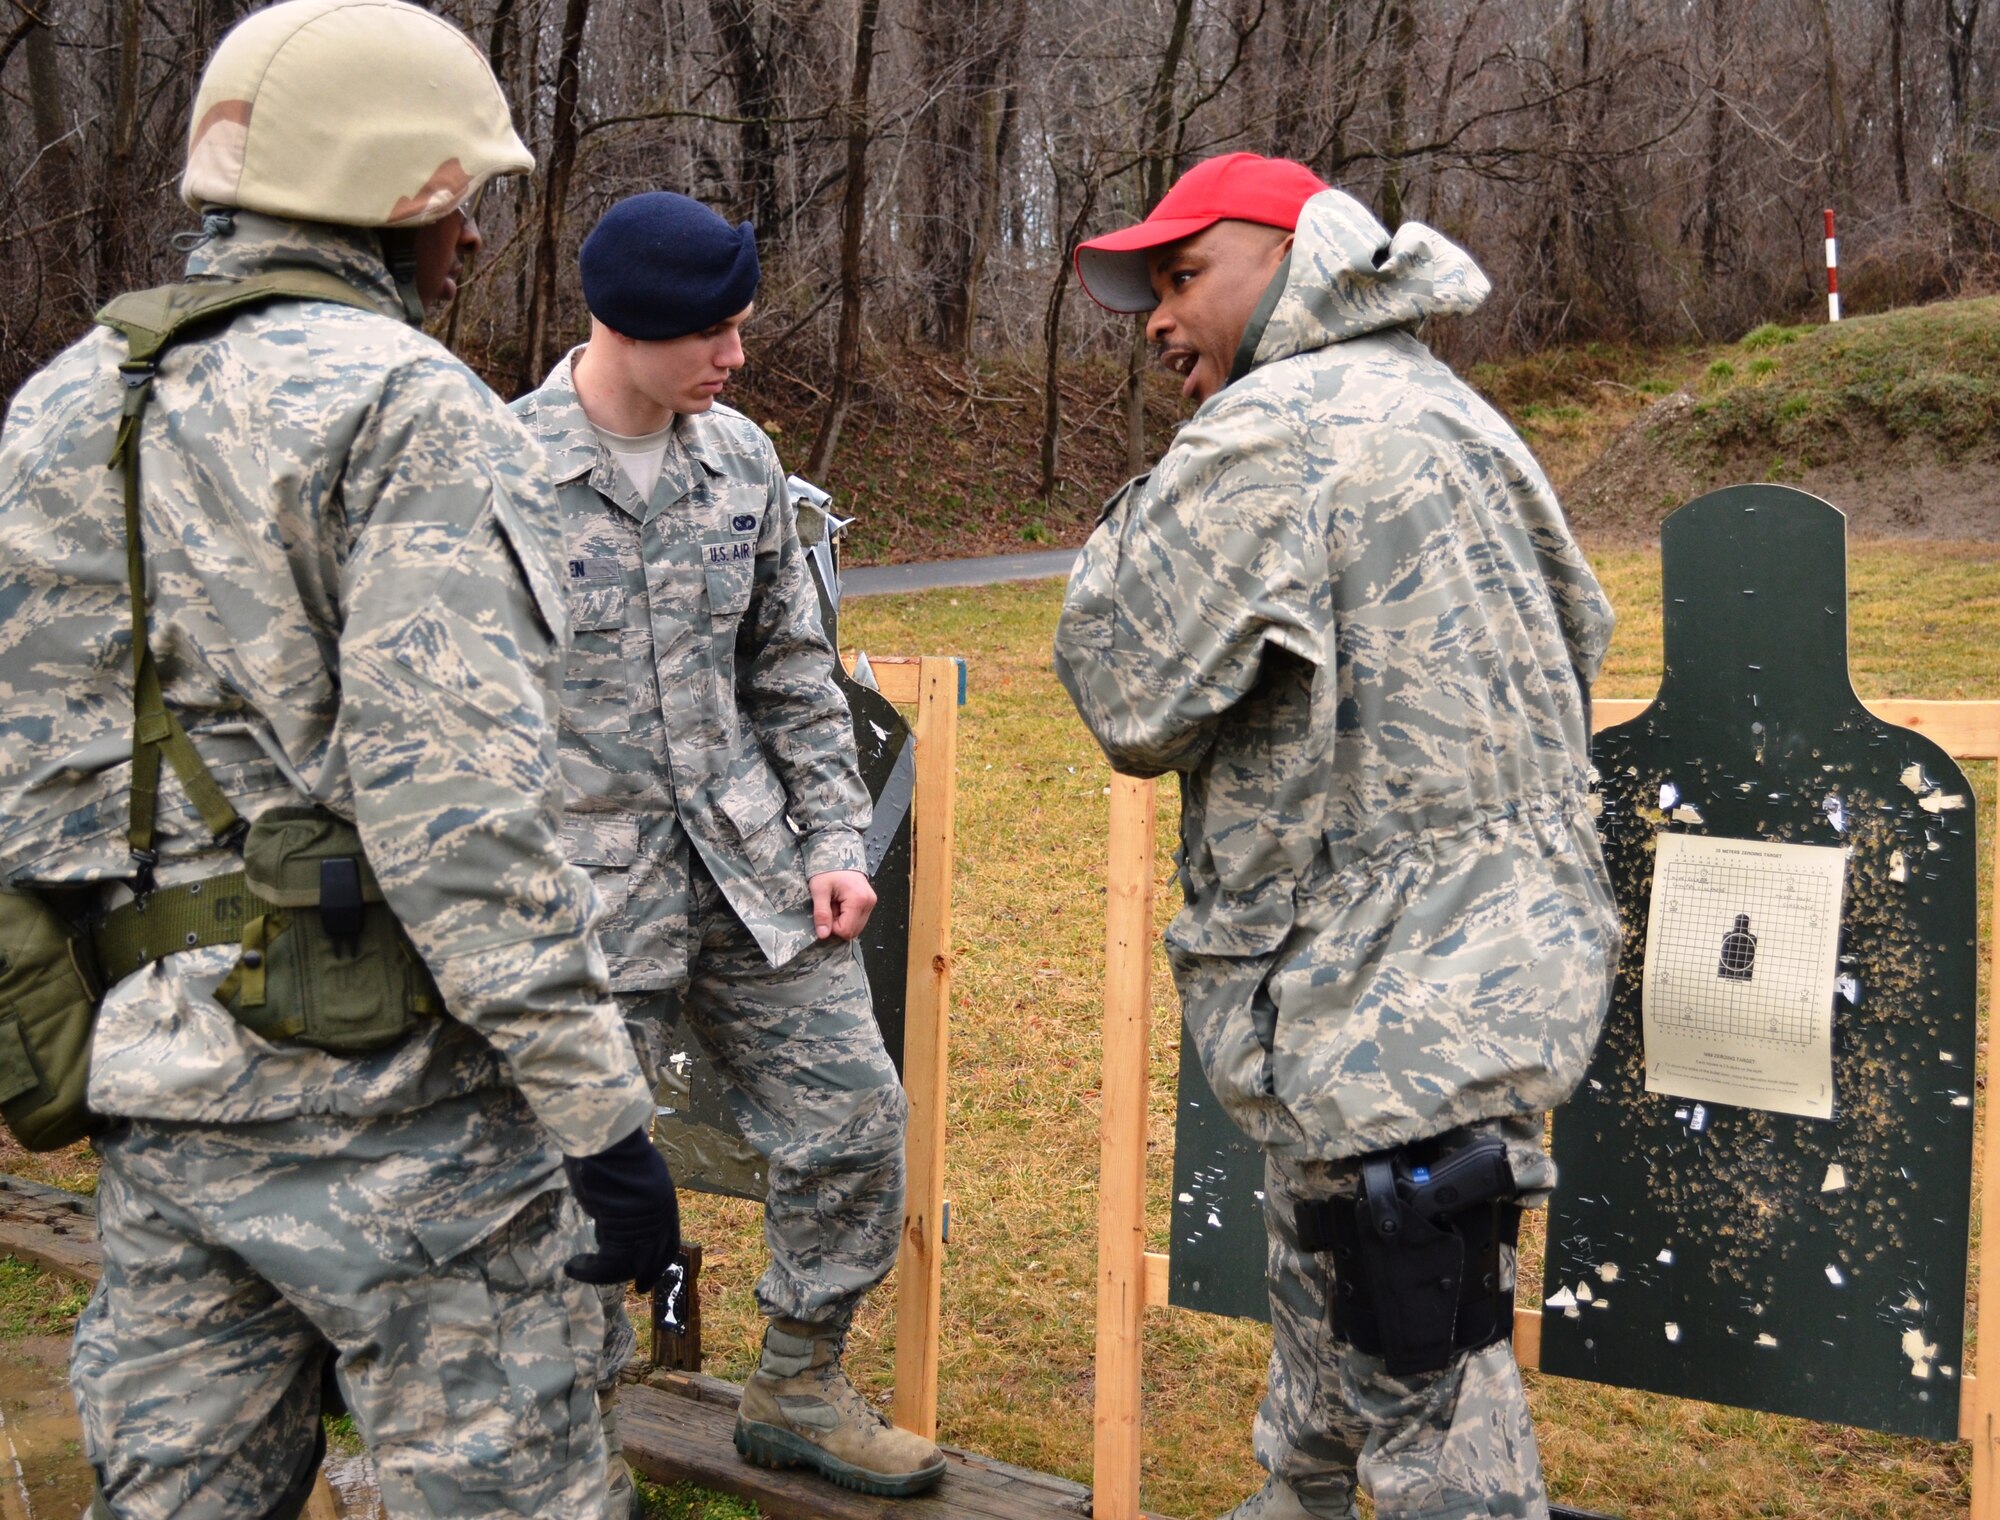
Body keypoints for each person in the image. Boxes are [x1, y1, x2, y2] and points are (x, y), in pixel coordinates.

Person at [0, 3, 678, 1516]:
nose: (480, 241)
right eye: (464, 201)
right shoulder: (404, 405)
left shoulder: (61, 405)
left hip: (155, 1102)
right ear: (398, 197)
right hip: (405, 1123)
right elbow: (465, 830)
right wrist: (602, 1119)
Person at [1054, 153, 1621, 1520]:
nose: (1155, 316)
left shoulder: (1277, 433)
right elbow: (1583, 629)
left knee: (1432, 1413)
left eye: (1184, 276)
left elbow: (1123, 683)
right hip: (1492, 966)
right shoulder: (1462, 415)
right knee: (1341, 1333)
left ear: (1292, 255)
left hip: (1379, 997)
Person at [511, 190, 946, 1501]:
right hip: (581, 907)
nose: (738, 358)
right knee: (575, 1193)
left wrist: (831, 837)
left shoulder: (740, 461)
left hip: (752, 877)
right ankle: (569, 1454)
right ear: (628, 324)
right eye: (717, 333)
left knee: (857, 1120)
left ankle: (800, 1386)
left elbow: (794, 677)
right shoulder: (496, 475)